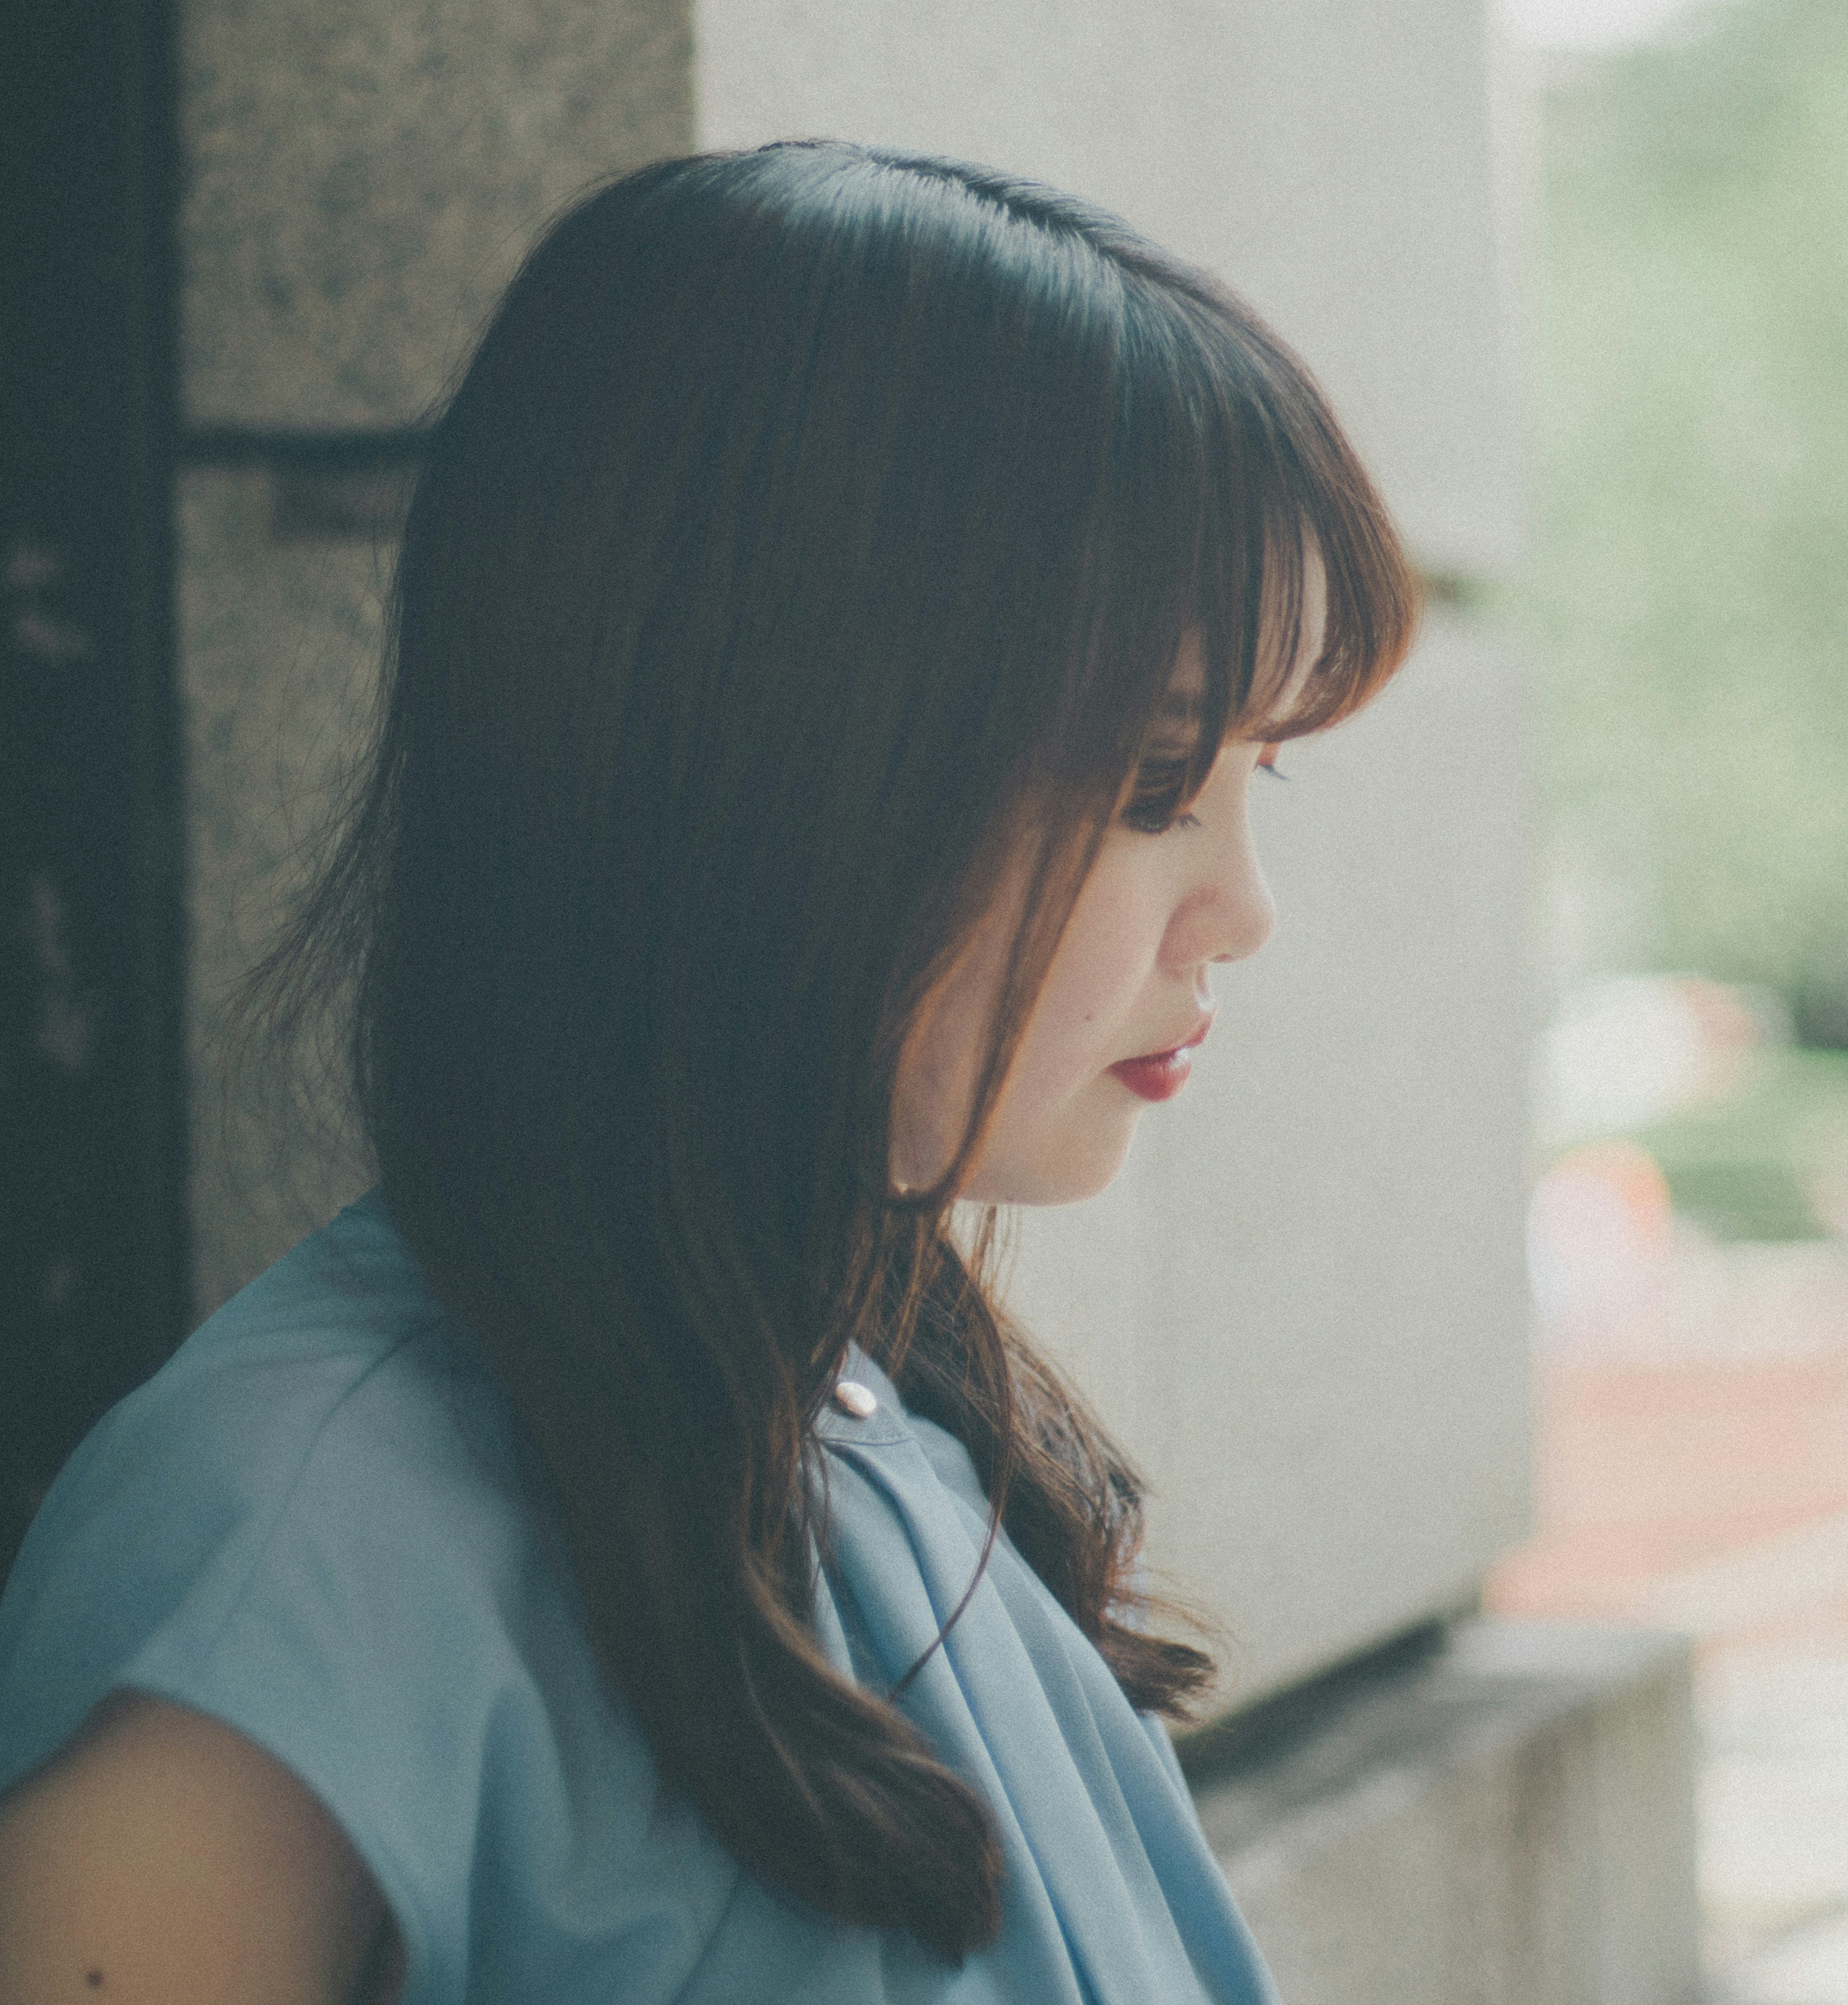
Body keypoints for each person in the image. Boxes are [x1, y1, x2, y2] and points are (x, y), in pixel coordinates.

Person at [0, 143, 1418, 2002]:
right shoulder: (303, 1539)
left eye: (1259, 773)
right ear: (777, 772)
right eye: (1153, 786)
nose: (1240, 911)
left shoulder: (883, 1428)